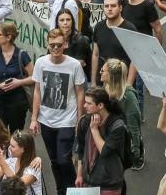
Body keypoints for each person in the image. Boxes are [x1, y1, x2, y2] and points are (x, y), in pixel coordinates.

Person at [30, 28, 86, 195]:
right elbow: (37, 91)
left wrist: (79, 119)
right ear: (47, 44)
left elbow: (80, 93)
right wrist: (34, 118)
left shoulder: (74, 65)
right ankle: (61, 189)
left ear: (65, 44)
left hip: (66, 120)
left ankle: (73, 189)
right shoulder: (41, 63)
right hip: (46, 119)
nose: (55, 48)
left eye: (59, 45)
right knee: (54, 161)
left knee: (64, 160)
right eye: (52, 45)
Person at [72, 87, 127, 194]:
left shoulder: (117, 126)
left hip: (109, 183)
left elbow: (105, 151)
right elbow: (81, 151)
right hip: (88, 181)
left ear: (100, 105)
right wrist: (79, 175)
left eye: (89, 103)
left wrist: (94, 130)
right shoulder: (85, 121)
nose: (84, 106)